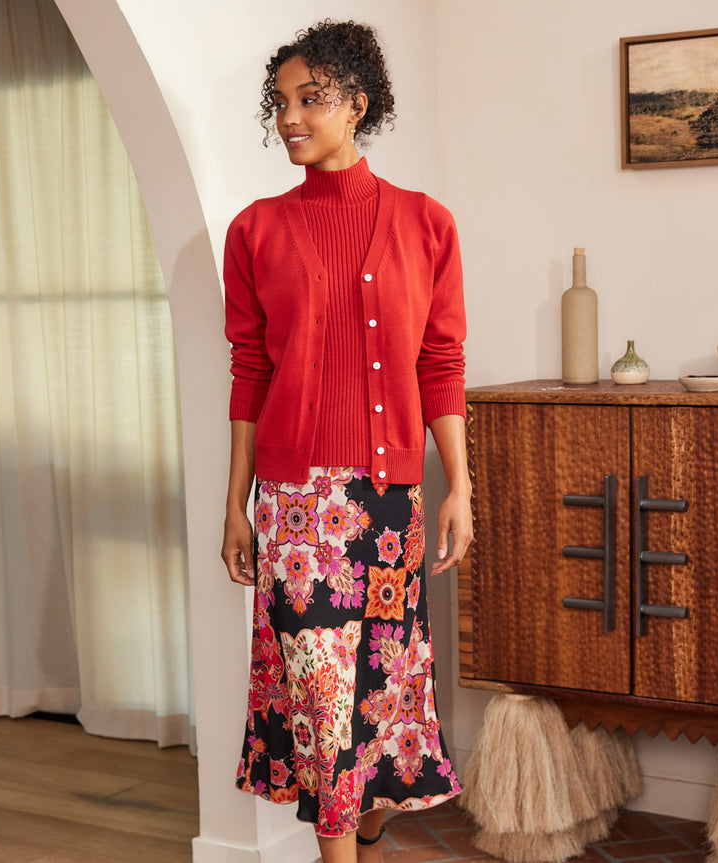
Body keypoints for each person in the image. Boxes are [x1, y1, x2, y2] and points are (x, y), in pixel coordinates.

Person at [221, 19, 472, 863]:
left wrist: (460, 486)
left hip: (390, 499)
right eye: (280, 102)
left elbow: (440, 362)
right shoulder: (255, 231)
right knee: (321, 696)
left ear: (357, 104)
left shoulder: (426, 223)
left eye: (311, 98)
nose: (290, 117)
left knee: (378, 696)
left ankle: (369, 818)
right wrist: (236, 505)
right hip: (297, 506)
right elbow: (250, 371)